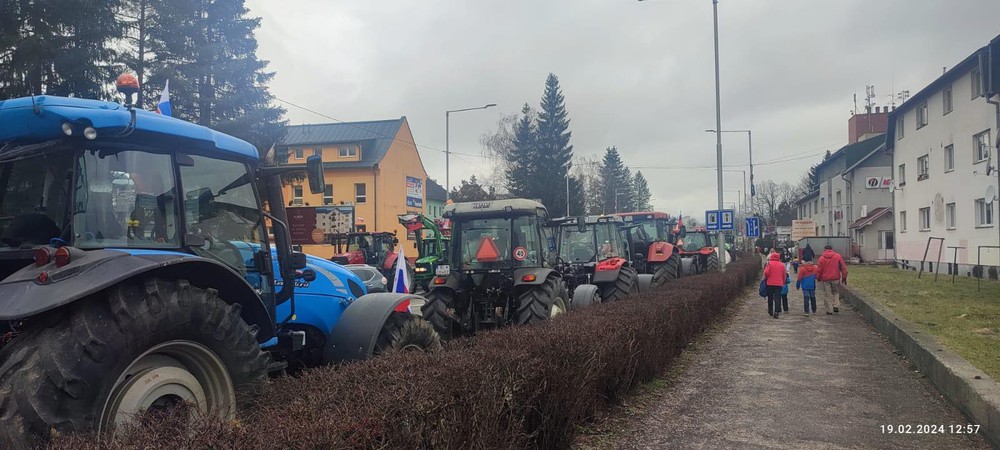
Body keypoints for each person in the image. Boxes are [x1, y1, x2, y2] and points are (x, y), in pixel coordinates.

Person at [816, 244, 848, 315]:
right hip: (835, 278)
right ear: (832, 249)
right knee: (836, 292)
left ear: (824, 249)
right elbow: (843, 267)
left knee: (827, 294)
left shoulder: (822, 258)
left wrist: (818, 277)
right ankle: (835, 305)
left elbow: (819, 269)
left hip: (826, 278)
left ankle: (829, 310)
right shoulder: (837, 256)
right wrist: (844, 276)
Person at [762, 252, 787, 319]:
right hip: (779, 283)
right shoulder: (782, 265)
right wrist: (783, 281)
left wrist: (767, 277)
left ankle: (770, 310)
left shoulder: (769, 264)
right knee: (777, 298)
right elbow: (784, 275)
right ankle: (776, 312)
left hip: (770, 283)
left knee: (770, 297)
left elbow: (766, 272)